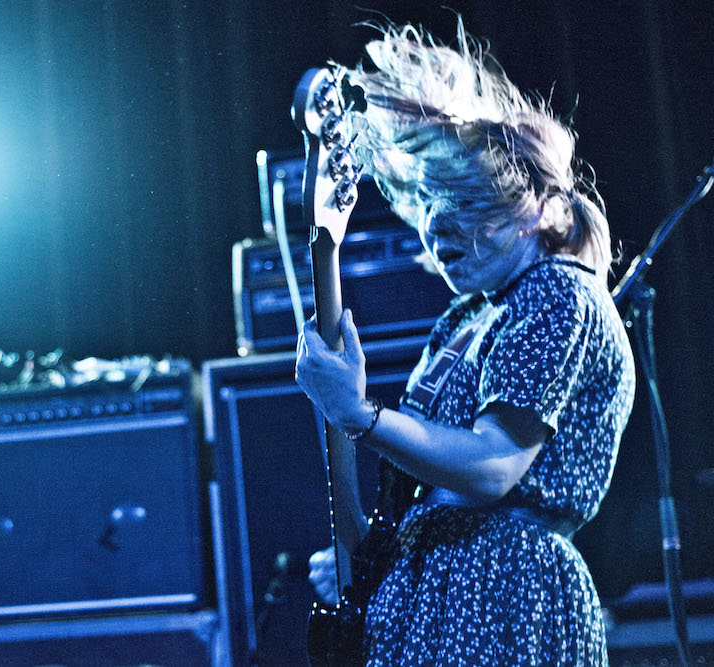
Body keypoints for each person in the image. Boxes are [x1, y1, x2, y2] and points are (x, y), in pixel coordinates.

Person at [295, 21, 635, 665]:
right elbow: (418, 491)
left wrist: (360, 414)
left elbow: (492, 466)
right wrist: (362, 548)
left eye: (465, 206)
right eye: (426, 204)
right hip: (429, 600)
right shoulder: (465, 318)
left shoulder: (560, 291)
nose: (436, 226)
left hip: (506, 595)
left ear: (544, 209)